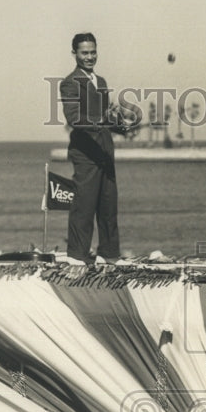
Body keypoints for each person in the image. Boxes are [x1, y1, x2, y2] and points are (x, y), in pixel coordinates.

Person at [59, 32, 140, 263]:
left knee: (108, 207)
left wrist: (123, 126)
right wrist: (104, 121)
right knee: (84, 206)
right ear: (74, 53)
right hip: (85, 153)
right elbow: (74, 118)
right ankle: (76, 256)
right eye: (84, 52)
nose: (89, 57)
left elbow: (104, 118)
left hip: (105, 151)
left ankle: (109, 255)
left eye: (93, 52)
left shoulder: (100, 81)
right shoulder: (69, 83)